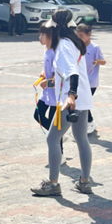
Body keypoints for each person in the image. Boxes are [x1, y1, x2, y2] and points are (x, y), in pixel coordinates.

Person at [32, 9, 93, 197]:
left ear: (55, 29)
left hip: (70, 101)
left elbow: (72, 73)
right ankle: (84, 182)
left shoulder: (64, 46)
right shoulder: (74, 42)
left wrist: (71, 95)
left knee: (52, 139)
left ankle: (53, 184)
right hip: (83, 99)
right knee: (82, 139)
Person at [34, 24, 66, 165]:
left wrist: (48, 82)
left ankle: (61, 154)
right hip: (46, 93)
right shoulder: (46, 49)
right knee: (37, 115)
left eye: (43, 35)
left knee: (56, 124)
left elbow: (59, 76)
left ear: (51, 36)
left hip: (55, 95)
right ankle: (58, 134)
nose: (40, 38)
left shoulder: (55, 52)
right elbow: (47, 68)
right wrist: (43, 73)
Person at [76, 24, 105, 134]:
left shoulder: (95, 47)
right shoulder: (78, 47)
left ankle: (89, 123)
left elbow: (103, 61)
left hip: (91, 81)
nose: (79, 38)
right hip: (81, 80)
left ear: (89, 34)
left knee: (83, 102)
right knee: (82, 102)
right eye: (77, 36)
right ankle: (88, 123)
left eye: (81, 36)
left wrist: (97, 61)